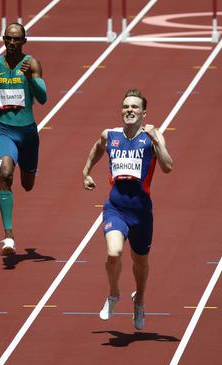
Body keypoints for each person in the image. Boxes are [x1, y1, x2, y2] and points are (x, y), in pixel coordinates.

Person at [83, 89, 173, 330]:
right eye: (126, 107)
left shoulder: (151, 137)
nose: (129, 110)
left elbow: (168, 166)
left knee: (140, 262)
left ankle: (140, 300)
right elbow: (97, 148)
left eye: (134, 107)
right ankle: (113, 294)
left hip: (142, 214)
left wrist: (156, 141)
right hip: (116, 208)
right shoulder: (110, 135)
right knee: (114, 254)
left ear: (144, 112)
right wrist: (86, 172)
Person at [0, 23, 47, 255]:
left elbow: (44, 98)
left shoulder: (32, 63)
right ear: (3, 39)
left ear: (24, 41)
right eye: (7, 38)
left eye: (16, 39)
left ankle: (28, 168)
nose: (11, 43)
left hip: (28, 134)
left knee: (27, 185)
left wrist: (31, 78)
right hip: (5, 130)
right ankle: (8, 236)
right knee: (5, 173)